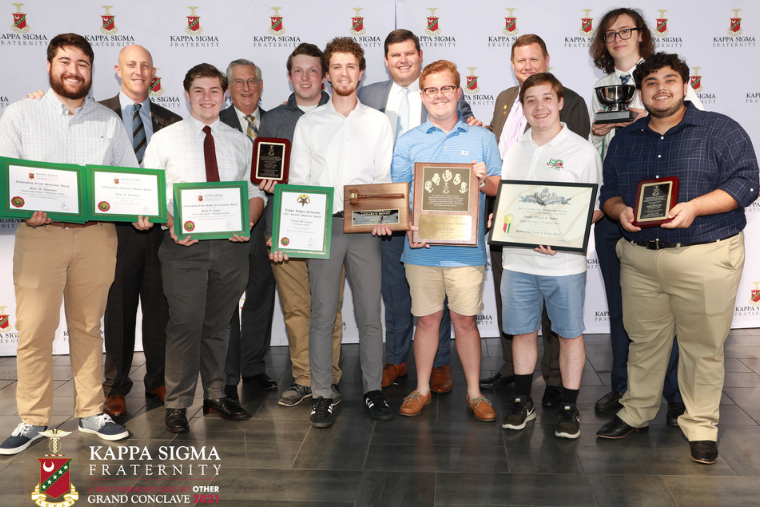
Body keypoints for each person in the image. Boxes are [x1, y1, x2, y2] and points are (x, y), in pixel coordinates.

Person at [595, 52, 758, 464]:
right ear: (640, 91)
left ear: (685, 86)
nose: (660, 89)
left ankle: (700, 424)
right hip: (640, 260)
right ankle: (635, 412)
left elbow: (748, 181)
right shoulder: (626, 138)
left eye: (669, 80)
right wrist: (620, 212)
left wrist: (696, 207)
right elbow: (609, 191)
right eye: (651, 83)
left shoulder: (720, 129)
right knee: (644, 342)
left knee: (702, 347)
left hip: (704, 256)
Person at [0, 33, 133, 455]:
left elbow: (128, 179)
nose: (73, 71)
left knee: (88, 328)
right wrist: (24, 208)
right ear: (49, 65)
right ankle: (33, 419)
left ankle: (92, 410)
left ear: (91, 71)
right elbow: (7, 180)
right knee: (35, 330)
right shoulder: (21, 114)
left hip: (96, 237)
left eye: (82, 63)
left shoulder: (109, 122)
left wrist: (140, 205)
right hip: (40, 237)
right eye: (65, 62)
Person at [588, 8, 702, 420]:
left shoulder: (664, 77)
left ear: (641, 35)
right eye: (610, 33)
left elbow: (694, 130)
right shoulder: (600, 86)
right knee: (622, 308)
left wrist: (646, 119)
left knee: (667, 309)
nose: (617, 38)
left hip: (661, 210)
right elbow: (592, 154)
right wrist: (597, 132)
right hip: (616, 207)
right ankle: (624, 389)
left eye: (626, 31)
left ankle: (673, 394)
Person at [140, 63, 266, 434]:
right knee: (184, 324)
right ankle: (178, 403)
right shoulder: (166, 139)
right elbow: (152, 191)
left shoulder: (240, 141)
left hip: (230, 248)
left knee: (219, 324)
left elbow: (255, 192)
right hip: (184, 246)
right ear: (187, 94)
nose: (208, 97)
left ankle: (215, 395)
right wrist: (170, 221)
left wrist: (250, 221)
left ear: (225, 95)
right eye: (199, 90)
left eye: (215, 91)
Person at [358, 29, 478, 393]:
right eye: (395, 55)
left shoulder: (447, 95)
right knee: (394, 292)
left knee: (435, 293)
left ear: (420, 55)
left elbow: (467, 130)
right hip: (390, 207)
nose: (403, 60)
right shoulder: (368, 94)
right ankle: (396, 360)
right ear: (386, 60)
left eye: (409, 53)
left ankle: (441, 364)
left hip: (438, 210)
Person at [387, 60, 501, 422]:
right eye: (431, 90)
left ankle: (474, 392)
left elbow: (498, 186)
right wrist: (409, 227)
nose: (439, 96)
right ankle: (421, 389)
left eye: (446, 88)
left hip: (467, 252)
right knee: (427, 322)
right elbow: (400, 195)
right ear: (422, 96)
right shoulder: (409, 141)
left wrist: (483, 180)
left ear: (459, 92)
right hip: (421, 251)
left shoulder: (483, 138)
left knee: (466, 322)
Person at [481, 34, 591, 409]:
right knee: (519, 321)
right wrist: (502, 212)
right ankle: (518, 381)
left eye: (533, 60)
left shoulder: (576, 125)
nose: (526, 67)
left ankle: (558, 387)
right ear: (512, 65)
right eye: (519, 61)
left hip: (559, 252)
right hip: (513, 245)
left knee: (561, 328)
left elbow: (582, 196)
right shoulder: (508, 120)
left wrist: (560, 233)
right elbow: (509, 182)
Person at [289, 37, 394, 428]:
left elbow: (383, 178)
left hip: (367, 228)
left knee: (369, 315)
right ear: (327, 74)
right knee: (321, 316)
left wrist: (386, 214)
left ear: (362, 72)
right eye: (337, 67)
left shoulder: (378, 122)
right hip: (323, 228)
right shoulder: (309, 122)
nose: (344, 73)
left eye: (351, 66)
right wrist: (294, 232)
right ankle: (321, 395)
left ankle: (372, 391)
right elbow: (299, 183)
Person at [498, 73, 602, 439]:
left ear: (560, 103)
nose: (539, 107)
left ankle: (570, 406)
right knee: (523, 332)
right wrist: (502, 218)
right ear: (522, 107)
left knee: (570, 335)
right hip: (517, 262)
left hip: (564, 264)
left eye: (547, 99)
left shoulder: (581, 150)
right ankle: (523, 402)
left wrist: (563, 235)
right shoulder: (514, 148)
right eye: (531, 101)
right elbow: (512, 199)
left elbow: (595, 208)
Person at [257, 43, 345, 407]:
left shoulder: (341, 113)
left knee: (329, 307)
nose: (305, 77)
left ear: (324, 75)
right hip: (284, 228)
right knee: (296, 308)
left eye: (313, 70)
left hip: (331, 230)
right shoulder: (274, 119)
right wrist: (265, 182)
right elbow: (264, 171)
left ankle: (330, 377)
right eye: (298, 71)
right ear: (290, 75)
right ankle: (305, 379)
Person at [99, 44, 182, 417]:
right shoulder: (97, 115)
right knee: (118, 309)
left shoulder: (172, 121)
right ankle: (115, 387)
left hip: (161, 231)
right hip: (115, 231)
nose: (138, 71)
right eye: (131, 65)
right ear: (118, 70)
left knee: (159, 308)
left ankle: (158, 380)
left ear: (154, 73)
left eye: (145, 65)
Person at [219, 59, 279, 398]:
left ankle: (253, 367)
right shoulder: (215, 120)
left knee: (260, 291)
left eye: (252, 81)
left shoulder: (275, 121)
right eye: (238, 82)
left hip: (268, 221)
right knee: (227, 295)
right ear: (228, 87)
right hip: (226, 221)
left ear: (260, 84)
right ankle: (228, 375)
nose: (246, 87)